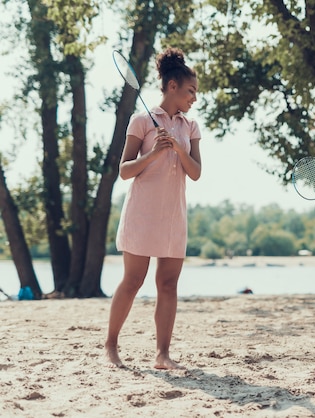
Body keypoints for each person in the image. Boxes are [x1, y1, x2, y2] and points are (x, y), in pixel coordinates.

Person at [104, 47, 201, 369]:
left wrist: (177, 148)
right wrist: (154, 153)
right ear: (172, 86)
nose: (194, 98)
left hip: (174, 215)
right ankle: (111, 345)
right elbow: (124, 170)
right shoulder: (142, 121)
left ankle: (162, 354)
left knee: (168, 284)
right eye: (191, 91)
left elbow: (196, 173)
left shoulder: (190, 127)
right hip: (142, 214)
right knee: (133, 280)